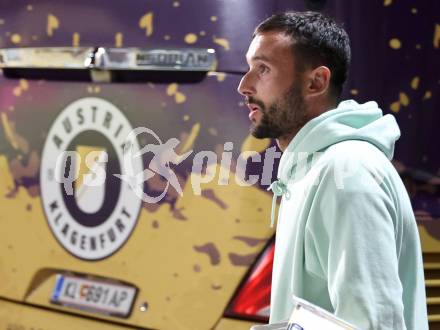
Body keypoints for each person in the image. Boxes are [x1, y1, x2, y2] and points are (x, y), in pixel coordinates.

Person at [237, 11, 428, 330]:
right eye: (249, 68)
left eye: (263, 69)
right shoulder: (312, 167)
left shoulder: (347, 171)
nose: (244, 85)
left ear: (316, 82)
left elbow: (374, 323)